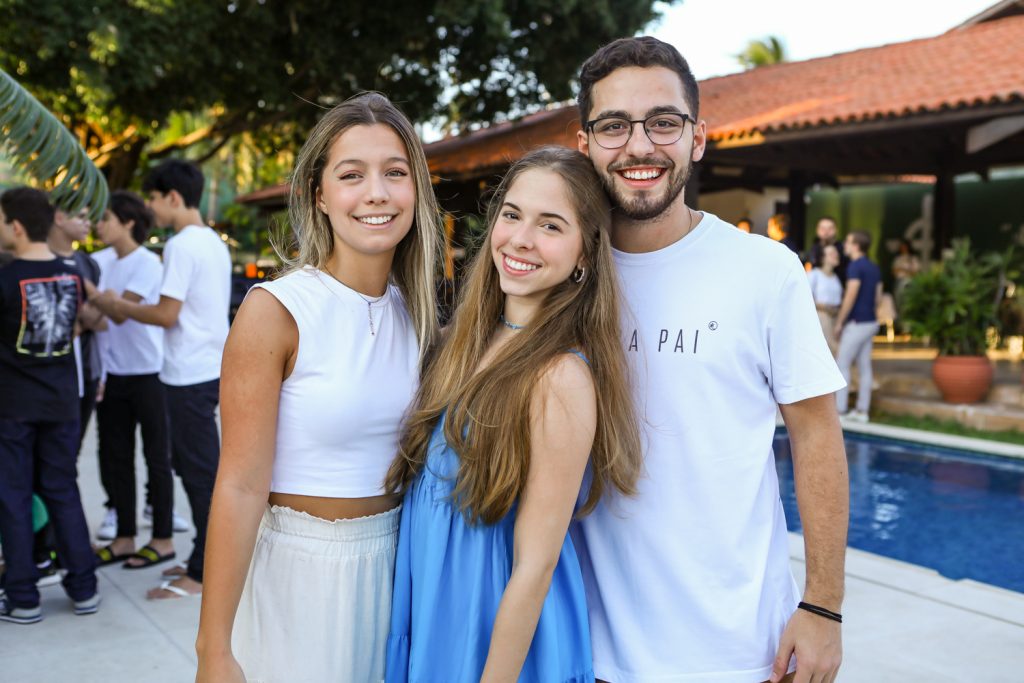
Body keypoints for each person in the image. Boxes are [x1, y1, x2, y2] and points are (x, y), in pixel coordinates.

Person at [573, 37, 849, 683]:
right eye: (613, 125)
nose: (639, 145)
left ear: (698, 138)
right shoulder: (561, 273)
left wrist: (823, 605)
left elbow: (816, 432)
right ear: (584, 144)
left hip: (736, 649)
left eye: (663, 122)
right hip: (581, 644)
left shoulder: (764, 270)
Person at [194, 92, 442, 683]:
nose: (377, 192)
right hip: (301, 578)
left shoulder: (421, 314)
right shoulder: (277, 310)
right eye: (351, 175)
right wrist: (213, 649)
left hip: (397, 570)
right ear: (320, 195)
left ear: (416, 191)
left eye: (395, 173)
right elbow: (240, 484)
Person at [385, 146, 642, 683]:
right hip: (440, 613)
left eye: (550, 225)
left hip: (495, 643)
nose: (521, 239)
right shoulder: (465, 342)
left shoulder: (560, 377)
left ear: (585, 255)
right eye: (512, 214)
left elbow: (536, 564)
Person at [89, 160, 231, 599]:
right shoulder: (211, 242)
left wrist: (118, 306)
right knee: (197, 472)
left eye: (152, 198)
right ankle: (202, 566)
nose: (151, 207)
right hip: (204, 370)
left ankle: (203, 573)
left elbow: (166, 315)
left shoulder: (182, 246)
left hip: (187, 375)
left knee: (198, 476)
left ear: (172, 197)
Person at [0, 187, 100, 624]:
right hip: (62, 401)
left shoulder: (4, 278)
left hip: (13, 406)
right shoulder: (72, 274)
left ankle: (23, 597)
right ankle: (84, 588)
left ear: (16, 227)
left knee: (14, 496)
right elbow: (76, 328)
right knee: (62, 489)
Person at [89, 191, 176, 571]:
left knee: (157, 458)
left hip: (149, 373)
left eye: (106, 217)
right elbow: (101, 316)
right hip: (112, 375)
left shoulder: (147, 263)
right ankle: (125, 538)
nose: (98, 225)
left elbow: (120, 313)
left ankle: (162, 539)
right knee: (114, 457)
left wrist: (95, 297)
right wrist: (103, 301)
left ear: (127, 222)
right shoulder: (98, 261)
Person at [835, 230, 882, 423]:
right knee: (864, 368)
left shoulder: (855, 267)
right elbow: (878, 298)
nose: (844, 245)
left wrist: (839, 322)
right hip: (871, 321)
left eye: (847, 241)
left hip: (857, 323)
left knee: (842, 365)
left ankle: (840, 411)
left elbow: (850, 295)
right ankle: (862, 411)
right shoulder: (874, 267)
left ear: (856, 245)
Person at [808, 244, 843, 356]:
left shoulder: (836, 277)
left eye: (836, 253)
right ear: (823, 257)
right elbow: (806, 299)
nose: (836, 255)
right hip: (821, 317)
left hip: (835, 318)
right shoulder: (814, 275)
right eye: (831, 254)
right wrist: (825, 307)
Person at [806, 216, 848, 283]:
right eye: (822, 228)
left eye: (830, 228)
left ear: (836, 230)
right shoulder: (814, 247)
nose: (826, 232)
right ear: (817, 230)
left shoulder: (843, 249)